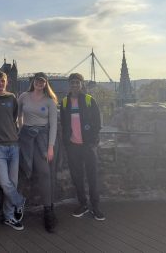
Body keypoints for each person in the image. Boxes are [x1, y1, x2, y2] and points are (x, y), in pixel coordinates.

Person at [60, 73, 105, 221]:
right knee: (77, 177)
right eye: (72, 83)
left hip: (87, 145)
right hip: (73, 146)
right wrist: (67, 142)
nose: (74, 85)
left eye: (77, 83)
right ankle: (83, 204)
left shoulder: (89, 100)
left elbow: (98, 122)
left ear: (81, 84)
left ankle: (95, 206)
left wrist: (92, 141)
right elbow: (64, 124)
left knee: (92, 176)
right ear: (69, 84)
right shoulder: (65, 102)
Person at [0, 71, 26, 231]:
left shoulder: (12, 98)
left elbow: (14, 117)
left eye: (2, 81)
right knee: (4, 182)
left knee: (13, 183)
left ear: (6, 82)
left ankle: (9, 217)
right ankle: (19, 201)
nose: (0, 84)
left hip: (14, 145)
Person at [17, 72, 58, 233]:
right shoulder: (24, 96)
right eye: (37, 80)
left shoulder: (50, 101)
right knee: (22, 170)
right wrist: (21, 129)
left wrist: (50, 147)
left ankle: (48, 210)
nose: (39, 83)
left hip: (42, 139)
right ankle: (17, 207)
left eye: (42, 81)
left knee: (44, 173)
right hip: (26, 137)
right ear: (33, 82)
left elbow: (53, 125)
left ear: (45, 83)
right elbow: (18, 115)